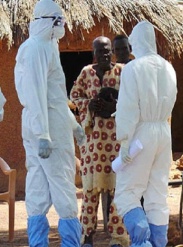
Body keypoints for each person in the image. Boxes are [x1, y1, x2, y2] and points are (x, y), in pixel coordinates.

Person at [14, 0, 86, 245]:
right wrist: (43, 133)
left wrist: (73, 125)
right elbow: (36, 94)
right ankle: (70, 242)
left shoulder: (47, 46)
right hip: (46, 126)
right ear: (49, 20)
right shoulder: (37, 48)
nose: (62, 25)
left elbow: (54, 95)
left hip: (47, 122)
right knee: (63, 181)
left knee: (39, 183)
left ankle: (38, 242)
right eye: (58, 20)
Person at [114, 20, 177, 247]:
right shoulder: (169, 67)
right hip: (163, 131)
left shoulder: (133, 68)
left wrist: (124, 141)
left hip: (142, 133)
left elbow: (128, 108)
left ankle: (142, 243)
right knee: (157, 195)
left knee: (126, 192)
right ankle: (159, 242)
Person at [70, 36, 129, 247]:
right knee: (90, 193)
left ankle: (118, 239)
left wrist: (117, 105)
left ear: (112, 51)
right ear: (94, 53)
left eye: (107, 51)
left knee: (117, 191)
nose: (104, 55)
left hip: (116, 143)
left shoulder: (122, 71)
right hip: (93, 145)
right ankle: (87, 237)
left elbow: (132, 97)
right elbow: (74, 96)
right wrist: (90, 105)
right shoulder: (86, 72)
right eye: (100, 51)